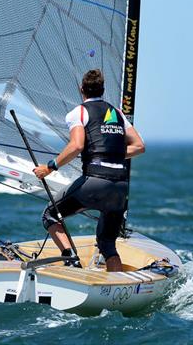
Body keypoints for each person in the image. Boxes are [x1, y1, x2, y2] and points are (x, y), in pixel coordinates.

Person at [34, 69, 145, 272]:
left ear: (81, 89)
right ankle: (117, 289)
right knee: (107, 244)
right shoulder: (117, 113)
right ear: (102, 90)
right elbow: (139, 146)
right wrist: (113, 154)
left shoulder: (79, 112)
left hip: (95, 182)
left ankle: (71, 260)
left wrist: (49, 167)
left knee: (50, 214)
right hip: (120, 187)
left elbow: (76, 146)